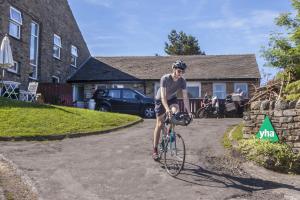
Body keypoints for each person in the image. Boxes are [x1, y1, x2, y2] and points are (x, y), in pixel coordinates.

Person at [152, 60, 192, 161]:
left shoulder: (182, 81)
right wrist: (166, 109)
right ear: (173, 69)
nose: (180, 74)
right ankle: (155, 150)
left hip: (172, 99)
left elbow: (185, 97)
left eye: (182, 72)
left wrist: (189, 112)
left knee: (176, 112)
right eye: (179, 71)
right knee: (159, 124)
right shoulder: (165, 78)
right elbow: (163, 97)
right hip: (160, 99)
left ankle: (169, 133)